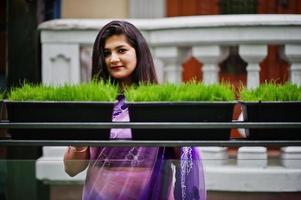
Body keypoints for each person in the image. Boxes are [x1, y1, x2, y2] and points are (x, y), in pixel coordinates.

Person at [64, 20, 206, 200]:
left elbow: (185, 157)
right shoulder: (95, 102)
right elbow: (71, 169)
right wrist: (80, 135)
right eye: (107, 53)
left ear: (139, 53)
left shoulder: (160, 102)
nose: (113, 59)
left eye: (121, 50)